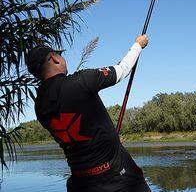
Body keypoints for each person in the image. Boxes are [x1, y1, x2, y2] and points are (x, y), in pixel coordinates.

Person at [25, 35, 151, 192]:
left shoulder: (40, 106)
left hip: (82, 184)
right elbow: (122, 70)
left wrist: (110, 141)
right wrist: (138, 45)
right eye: (60, 54)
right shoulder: (81, 80)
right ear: (54, 59)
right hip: (118, 178)